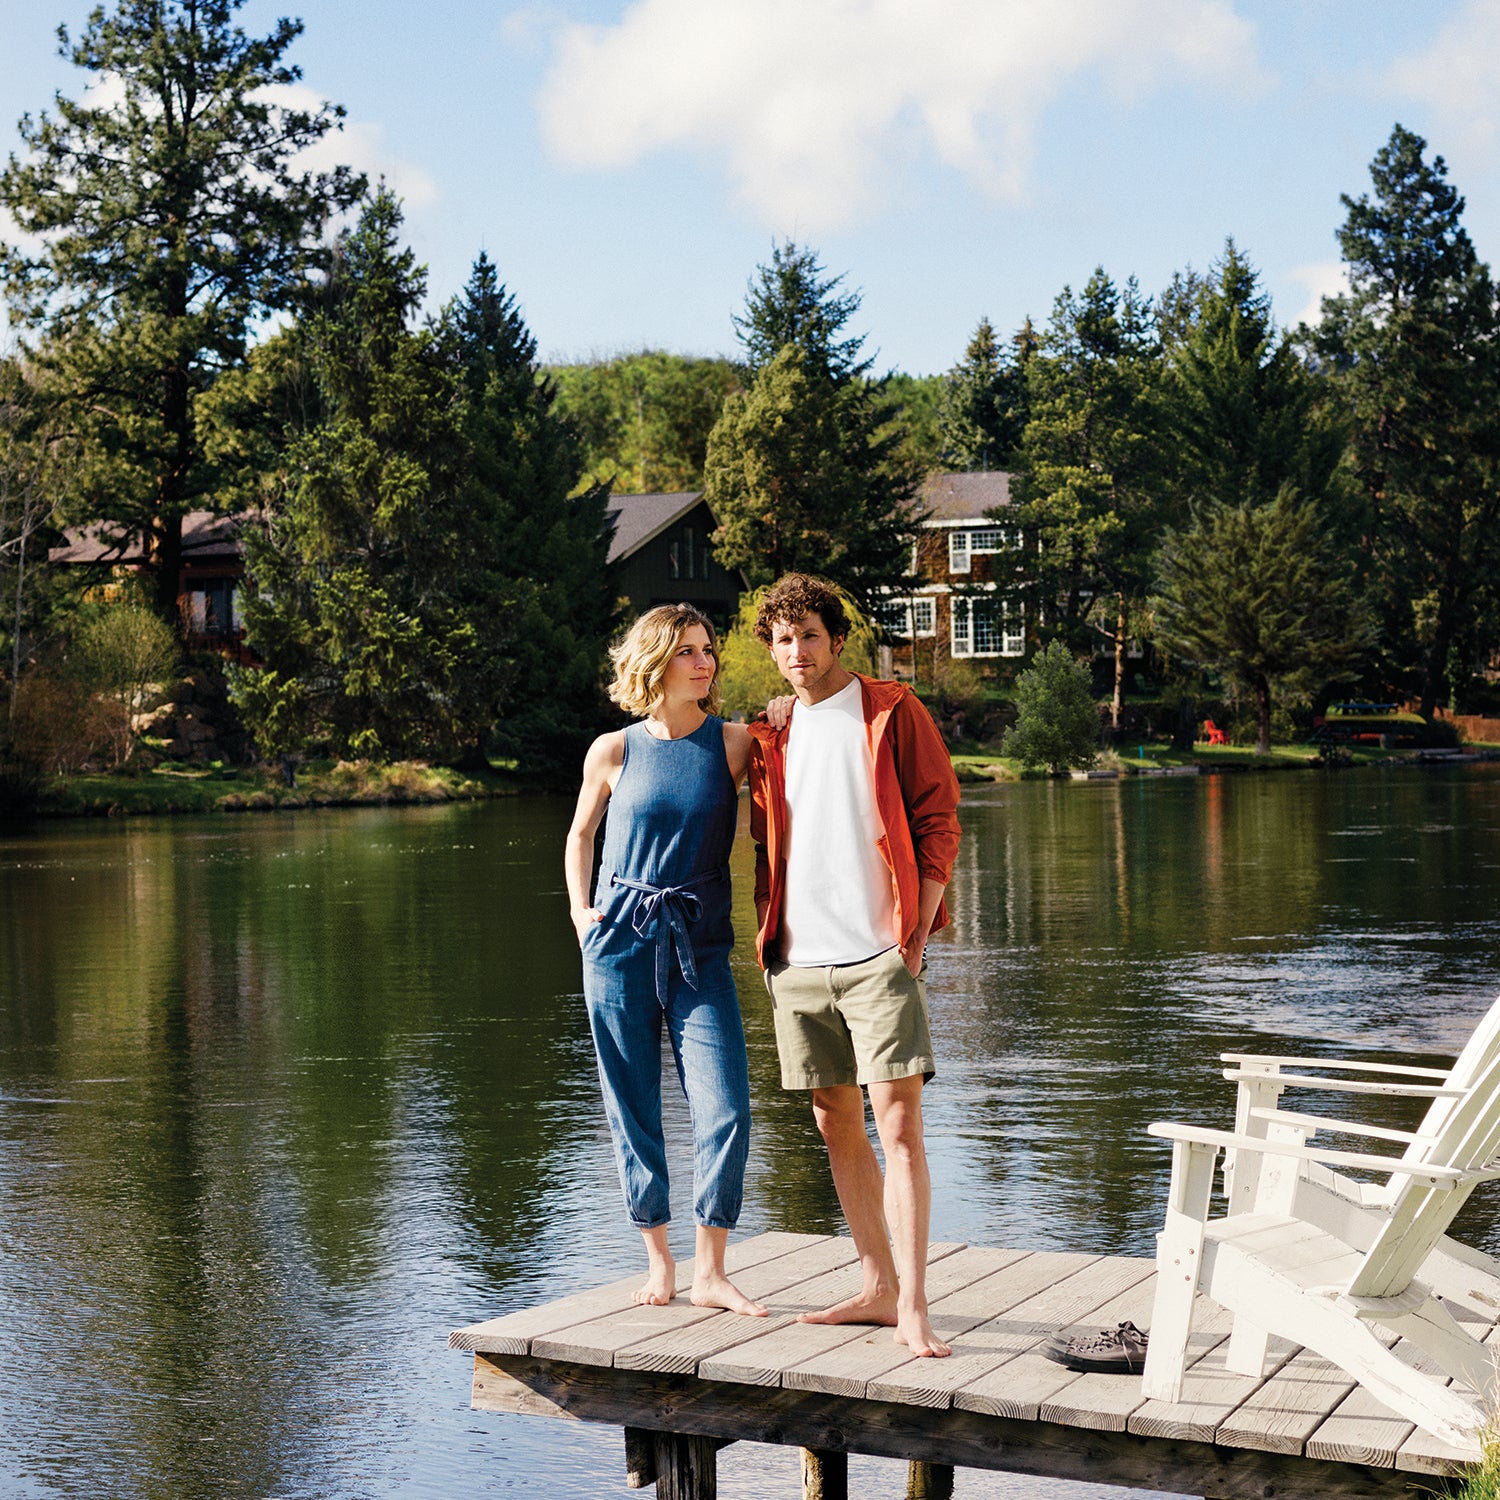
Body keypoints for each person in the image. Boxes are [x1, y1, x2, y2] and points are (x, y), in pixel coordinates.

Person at [748, 574, 961, 1357]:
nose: (796, 652)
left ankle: (914, 1305)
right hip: (798, 962)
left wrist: (918, 930)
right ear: (770, 650)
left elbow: (939, 817)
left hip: (880, 955)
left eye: (808, 635)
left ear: (837, 640)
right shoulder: (770, 734)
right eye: (781, 639)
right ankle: (876, 1288)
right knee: (835, 1120)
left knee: (899, 1124)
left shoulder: (892, 712)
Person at [565, 604, 768, 1317]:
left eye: (708, 649)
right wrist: (580, 912)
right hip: (618, 944)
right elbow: (580, 834)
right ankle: (660, 1260)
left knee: (726, 1108)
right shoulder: (613, 751)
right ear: (655, 660)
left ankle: (711, 1270)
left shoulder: (737, 744)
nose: (704, 662)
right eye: (687, 651)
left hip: (699, 949)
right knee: (633, 1108)